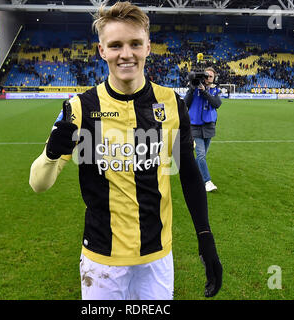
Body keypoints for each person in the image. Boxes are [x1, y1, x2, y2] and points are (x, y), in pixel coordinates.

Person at [29, 1, 222, 300]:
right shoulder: (80, 108)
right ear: (102, 51)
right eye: (116, 45)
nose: (126, 54)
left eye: (135, 43)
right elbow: (38, 185)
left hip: (157, 257)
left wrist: (205, 236)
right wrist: (51, 154)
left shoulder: (172, 103)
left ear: (148, 47)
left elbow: (189, 175)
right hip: (101, 261)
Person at [184, 67, 222, 192]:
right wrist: (192, 88)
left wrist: (205, 92)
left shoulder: (215, 90)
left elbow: (216, 104)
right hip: (194, 125)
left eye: (210, 76)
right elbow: (186, 104)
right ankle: (207, 181)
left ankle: (191, 174)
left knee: (202, 156)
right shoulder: (194, 88)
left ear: (214, 78)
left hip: (209, 126)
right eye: (206, 76)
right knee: (200, 155)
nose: (208, 78)